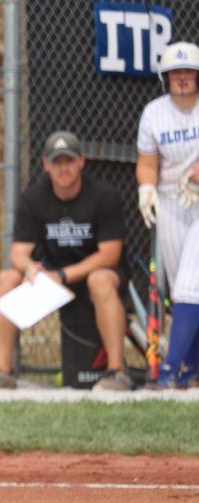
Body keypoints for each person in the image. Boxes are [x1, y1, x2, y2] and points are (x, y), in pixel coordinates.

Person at [0, 131, 130, 391]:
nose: (63, 169)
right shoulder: (33, 198)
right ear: (46, 164)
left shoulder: (104, 196)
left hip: (94, 277)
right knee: (7, 278)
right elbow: (18, 253)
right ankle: (2, 371)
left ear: (81, 161)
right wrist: (30, 267)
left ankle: (117, 372)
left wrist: (64, 275)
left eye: (68, 161)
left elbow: (110, 254)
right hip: (53, 283)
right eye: (56, 162)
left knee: (100, 279)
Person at [136, 41, 199, 390]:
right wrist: (146, 189)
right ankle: (192, 368)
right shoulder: (154, 112)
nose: (183, 78)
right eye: (177, 72)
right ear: (166, 77)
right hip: (172, 200)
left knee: (192, 283)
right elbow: (148, 162)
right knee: (180, 289)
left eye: (189, 70)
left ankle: (169, 370)